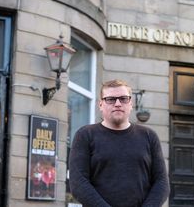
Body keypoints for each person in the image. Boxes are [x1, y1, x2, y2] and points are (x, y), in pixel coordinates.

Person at [69, 79, 170, 207]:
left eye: (123, 99)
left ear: (131, 104)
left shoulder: (149, 136)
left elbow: (161, 183)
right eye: (110, 99)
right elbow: (78, 183)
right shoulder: (85, 135)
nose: (117, 104)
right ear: (100, 104)